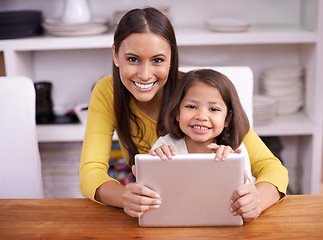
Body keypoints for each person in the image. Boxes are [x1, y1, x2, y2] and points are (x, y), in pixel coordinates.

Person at [79, 7, 288, 222]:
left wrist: (256, 201)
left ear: (171, 58)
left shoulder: (196, 96)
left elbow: (272, 168)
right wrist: (125, 197)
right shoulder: (108, 91)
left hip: (215, 213)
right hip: (158, 214)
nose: (144, 74)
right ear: (115, 55)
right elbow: (91, 172)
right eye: (133, 59)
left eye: (158, 60)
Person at [149, 69, 253, 185]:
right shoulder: (165, 146)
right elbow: (153, 189)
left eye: (214, 109)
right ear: (177, 112)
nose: (201, 116)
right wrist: (155, 164)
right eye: (191, 106)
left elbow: (247, 192)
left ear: (227, 119)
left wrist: (231, 167)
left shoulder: (235, 150)